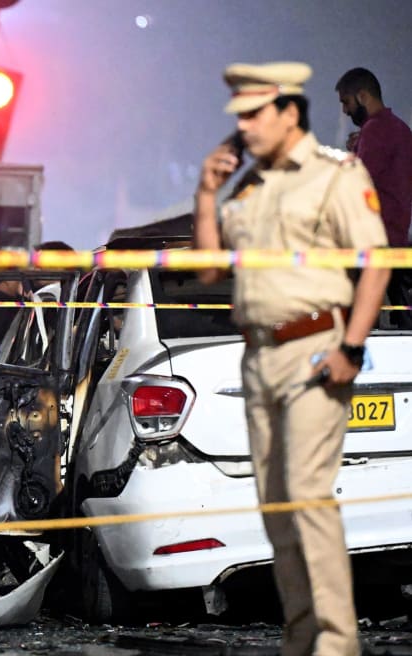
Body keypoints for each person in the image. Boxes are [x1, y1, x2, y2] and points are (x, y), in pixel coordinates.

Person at [194, 61, 389, 656]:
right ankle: (302, 635)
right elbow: (207, 270)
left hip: (314, 347)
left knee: (307, 493)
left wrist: (351, 346)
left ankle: (336, 639)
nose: (245, 127)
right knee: (276, 504)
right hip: (258, 356)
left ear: (288, 112)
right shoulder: (248, 185)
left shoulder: (335, 172)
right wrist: (206, 195)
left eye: (255, 114)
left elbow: (376, 260)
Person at [335, 68, 412, 328]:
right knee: (400, 323)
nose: (345, 111)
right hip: (395, 240)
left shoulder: (377, 130)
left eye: (346, 102)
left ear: (362, 96)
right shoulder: (400, 129)